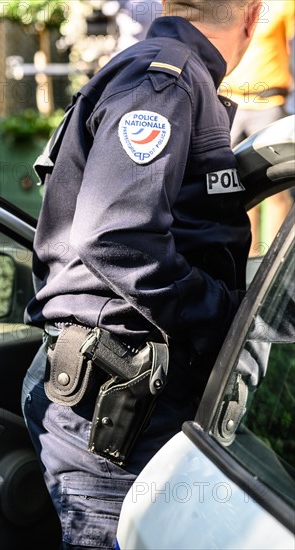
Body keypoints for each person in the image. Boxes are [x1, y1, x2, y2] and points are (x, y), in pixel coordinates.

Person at [22, 1, 262, 548]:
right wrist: (233, 321)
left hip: (109, 390)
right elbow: (117, 237)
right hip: (113, 410)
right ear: (253, 15)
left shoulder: (161, 70)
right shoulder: (166, 80)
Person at [223, 0, 295, 255]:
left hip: (268, 102)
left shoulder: (284, 5)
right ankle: (249, 259)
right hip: (229, 102)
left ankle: (273, 260)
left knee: (276, 188)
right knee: (238, 189)